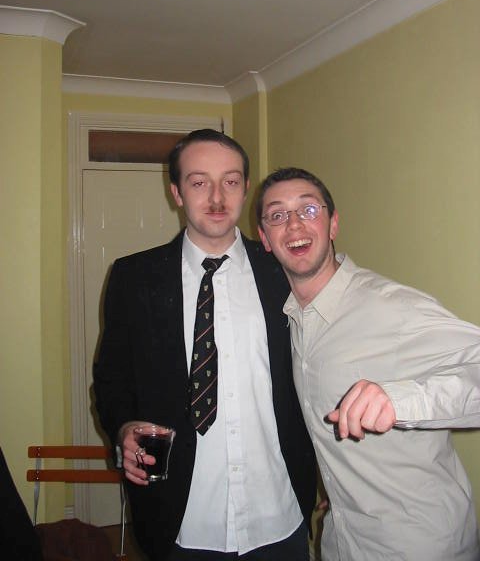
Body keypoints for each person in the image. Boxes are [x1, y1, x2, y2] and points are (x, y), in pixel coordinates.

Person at [93, 132, 316, 561]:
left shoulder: (283, 271)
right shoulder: (134, 278)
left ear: (245, 189)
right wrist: (123, 427)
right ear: (176, 192)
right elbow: (111, 379)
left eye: (230, 181)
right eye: (199, 182)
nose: (216, 197)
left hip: (279, 513)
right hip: (181, 522)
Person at [256, 166, 480, 561]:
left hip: (420, 546)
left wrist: (399, 401)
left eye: (308, 210)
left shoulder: (392, 307)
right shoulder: (293, 318)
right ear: (265, 239)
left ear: (333, 224)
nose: (293, 224)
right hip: (342, 539)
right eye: (277, 215)